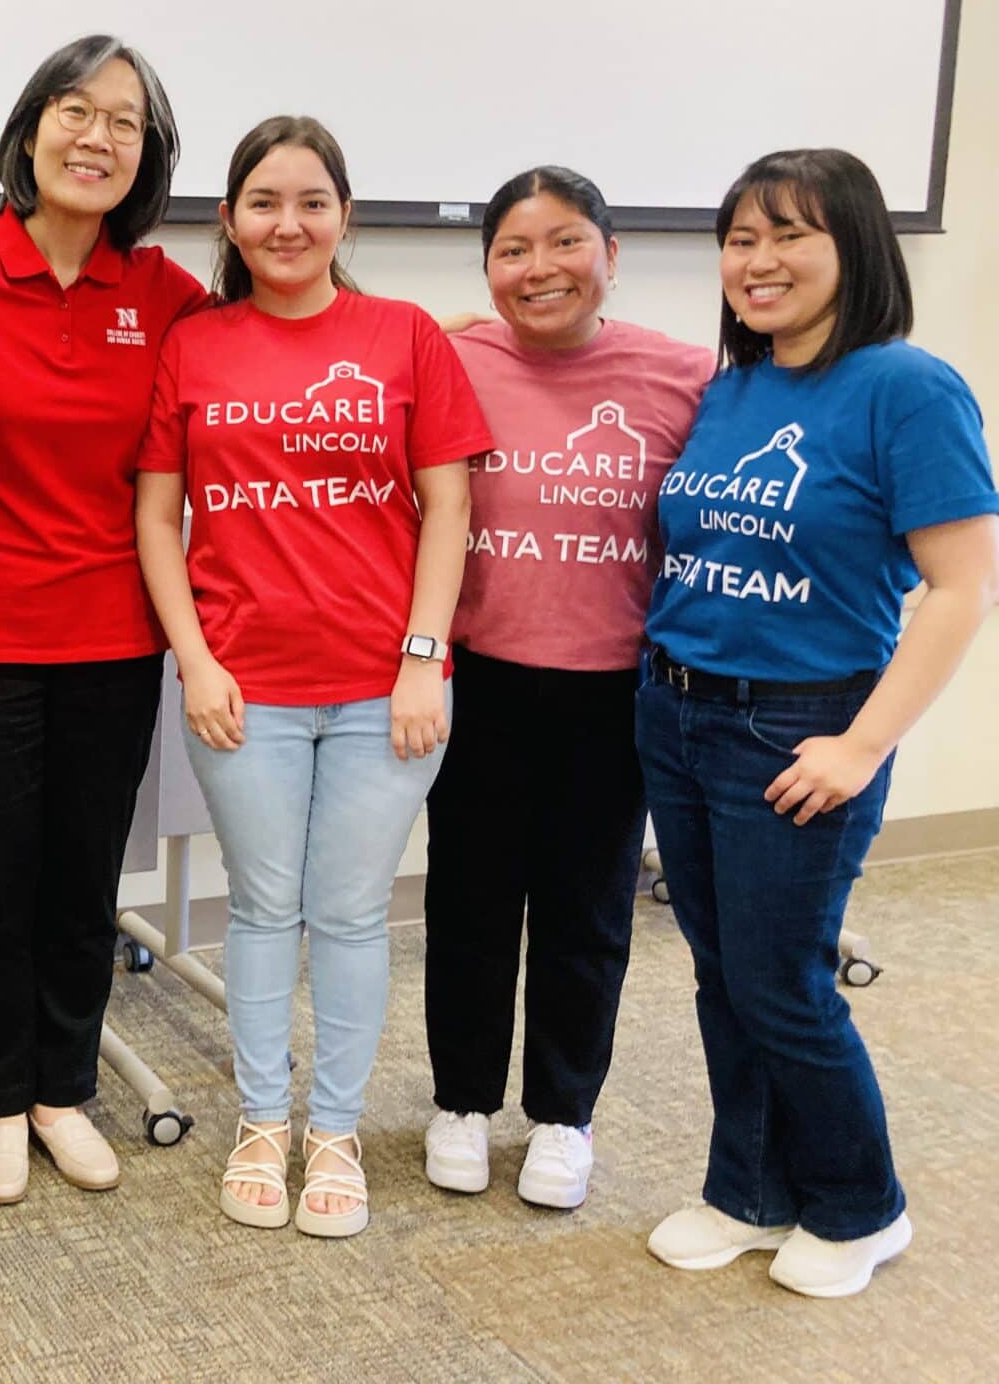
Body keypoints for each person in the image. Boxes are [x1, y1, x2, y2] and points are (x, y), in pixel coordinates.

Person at [637, 148, 999, 1297]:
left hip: (798, 729)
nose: (758, 261)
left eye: (788, 234)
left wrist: (859, 746)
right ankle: (747, 1192)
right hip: (677, 708)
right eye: (739, 239)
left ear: (853, 245)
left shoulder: (905, 387)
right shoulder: (734, 387)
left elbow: (960, 587)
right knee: (719, 973)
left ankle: (859, 1205)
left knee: (780, 978)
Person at [137, 115, 492, 1237]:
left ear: (343, 214)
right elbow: (155, 517)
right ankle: (260, 1118)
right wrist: (191, 661)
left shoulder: (401, 337)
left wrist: (423, 663)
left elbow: (449, 506)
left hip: (384, 689)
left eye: (310, 202)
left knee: (344, 915)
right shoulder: (193, 343)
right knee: (261, 905)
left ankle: (331, 1128)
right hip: (239, 687)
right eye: (261, 202)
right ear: (229, 219)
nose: (285, 224)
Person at [0, 34, 210, 1204]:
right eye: (75, 112)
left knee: (82, 879)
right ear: (30, 130)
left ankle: (60, 1088)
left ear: (147, 153)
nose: (96, 137)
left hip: (113, 638)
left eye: (123, 122)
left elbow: (275, 353)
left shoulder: (166, 295)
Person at [420, 167, 713, 1209]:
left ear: (609, 254)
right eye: (511, 250)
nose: (536, 269)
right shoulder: (449, 356)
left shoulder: (684, 374)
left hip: (612, 693)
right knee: (467, 898)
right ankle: (458, 1100)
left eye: (562, 243)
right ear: (487, 267)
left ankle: (562, 1116)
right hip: (480, 677)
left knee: (588, 911)